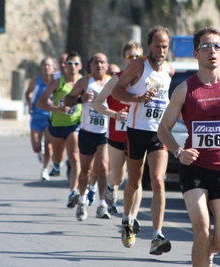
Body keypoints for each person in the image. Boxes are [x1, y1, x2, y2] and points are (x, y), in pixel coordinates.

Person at [157, 27, 220, 267]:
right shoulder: (185, 89)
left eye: (216, 46)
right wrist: (178, 152)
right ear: (195, 53)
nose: (211, 51)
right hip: (194, 169)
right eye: (205, 46)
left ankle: (204, 254)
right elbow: (163, 128)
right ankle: (202, 255)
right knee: (202, 231)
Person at [111, 25, 175, 255]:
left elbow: (166, 101)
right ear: (149, 46)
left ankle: (157, 235)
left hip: (159, 134)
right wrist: (138, 98)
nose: (160, 50)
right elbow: (117, 92)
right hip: (136, 131)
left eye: (164, 46)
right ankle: (128, 220)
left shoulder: (170, 71)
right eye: (157, 45)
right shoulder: (138, 65)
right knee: (135, 182)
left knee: (158, 181)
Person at [92, 41, 143, 226]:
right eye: (131, 57)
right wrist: (114, 115)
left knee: (136, 179)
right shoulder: (116, 79)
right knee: (118, 177)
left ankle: (132, 218)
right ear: (123, 59)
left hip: (139, 135)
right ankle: (110, 185)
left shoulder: (148, 80)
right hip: (117, 137)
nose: (135, 60)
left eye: (138, 56)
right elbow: (98, 103)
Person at [64, 53, 112, 221]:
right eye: (96, 62)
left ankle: (102, 204)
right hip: (87, 132)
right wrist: (80, 99)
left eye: (102, 62)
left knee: (104, 167)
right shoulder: (85, 82)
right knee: (86, 172)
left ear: (107, 65)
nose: (99, 65)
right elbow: (66, 100)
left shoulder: (111, 82)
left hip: (105, 132)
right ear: (90, 65)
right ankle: (82, 200)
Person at [37, 51, 82, 208]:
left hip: (75, 124)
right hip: (57, 126)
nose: (72, 66)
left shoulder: (83, 82)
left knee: (75, 157)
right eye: (69, 63)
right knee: (58, 157)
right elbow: (40, 103)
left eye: (76, 63)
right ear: (65, 66)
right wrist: (56, 108)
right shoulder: (57, 83)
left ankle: (73, 192)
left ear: (80, 66)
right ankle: (56, 165)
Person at [24, 56, 56, 181]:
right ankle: (40, 152)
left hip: (50, 118)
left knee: (49, 146)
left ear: (53, 68)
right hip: (36, 117)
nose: (46, 67)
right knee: (36, 147)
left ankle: (45, 170)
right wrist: (29, 104)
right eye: (44, 65)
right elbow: (27, 93)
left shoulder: (56, 83)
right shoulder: (36, 81)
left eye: (49, 65)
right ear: (41, 67)